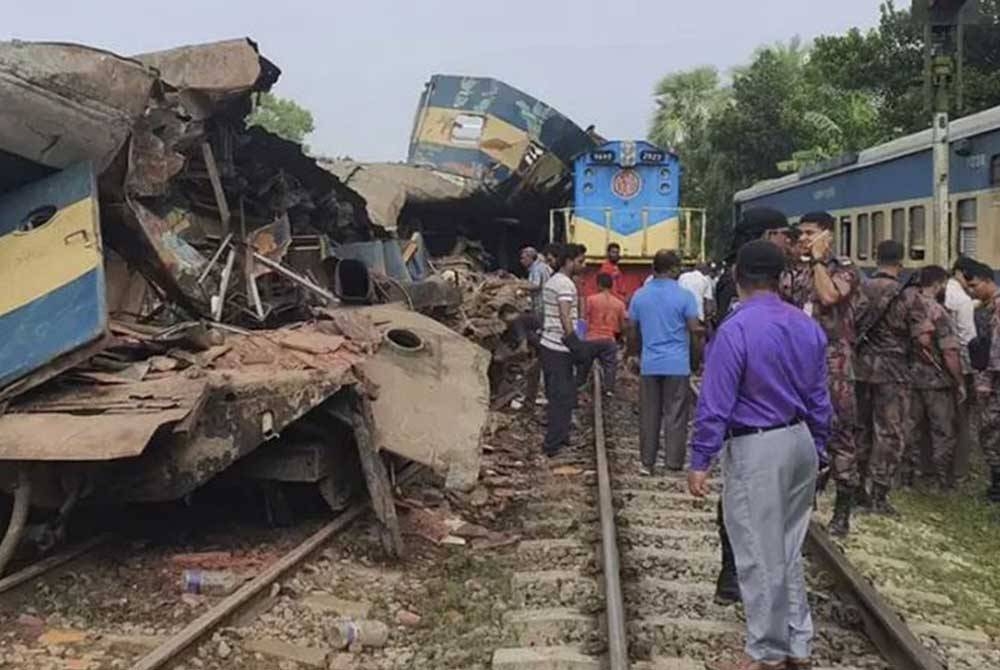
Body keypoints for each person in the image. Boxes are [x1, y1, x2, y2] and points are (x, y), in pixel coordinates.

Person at [688, 240, 831, 670]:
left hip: (757, 446)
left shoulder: (735, 329)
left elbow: (715, 401)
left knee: (755, 550)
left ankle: (766, 651)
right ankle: (797, 643)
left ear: (737, 276)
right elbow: (820, 396)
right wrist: (818, 444)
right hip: (800, 440)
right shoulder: (807, 326)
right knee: (787, 548)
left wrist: (701, 459)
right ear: (781, 278)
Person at [709, 206, 789, 606]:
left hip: (778, 404)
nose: (789, 240)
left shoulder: (775, 279)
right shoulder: (734, 283)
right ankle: (732, 571)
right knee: (740, 495)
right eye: (783, 233)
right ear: (764, 235)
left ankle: (758, 572)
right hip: (749, 405)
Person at [795, 211, 862, 536]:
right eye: (801, 233)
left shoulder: (844, 269)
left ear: (827, 235)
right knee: (800, 428)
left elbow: (829, 296)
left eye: (810, 233)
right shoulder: (797, 270)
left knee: (839, 432)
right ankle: (804, 498)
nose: (803, 239)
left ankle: (843, 507)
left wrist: (820, 262)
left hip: (833, 361)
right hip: (801, 360)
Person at [854, 240, 933, 516]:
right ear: (900, 263)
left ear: (876, 258)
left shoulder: (861, 288)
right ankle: (879, 494)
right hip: (893, 372)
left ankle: (856, 488)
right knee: (889, 432)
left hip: (860, 369)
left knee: (861, 428)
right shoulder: (909, 295)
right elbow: (923, 338)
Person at [628, 250, 702, 475]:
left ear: (654, 268)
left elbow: (632, 330)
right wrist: (696, 359)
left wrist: (633, 354)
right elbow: (694, 330)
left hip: (650, 364)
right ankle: (673, 462)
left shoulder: (639, 295)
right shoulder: (685, 296)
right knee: (676, 414)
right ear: (673, 269)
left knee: (649, 414)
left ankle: (647, 462)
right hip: (677, 364)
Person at [908, 265, 964, 489]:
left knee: (911, 428)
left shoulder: (905, 306)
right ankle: (942, 479)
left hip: (908, 377)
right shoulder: (938, 311)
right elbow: (950, 352)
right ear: (938, 284)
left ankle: (909, 476)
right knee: (942, 430)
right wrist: (959, 381)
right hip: (937, 380)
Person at [539, 244, 585, 457]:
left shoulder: (553, 281)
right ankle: (552, 444)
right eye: (580, 261)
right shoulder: (565, 285)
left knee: (557, 394)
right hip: (559, 347)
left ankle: (561, 435)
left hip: (549, 344)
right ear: (568, 261)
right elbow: (565, 315)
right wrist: (574, 342)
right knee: (562, 397)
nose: (583, 265)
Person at [963, 262, 1000, 502]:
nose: (972, 291)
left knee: (991, 432)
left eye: (975, 285)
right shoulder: (988, 306)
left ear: (987, 281)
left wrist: (985, 382)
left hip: (995, 380)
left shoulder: (997, 308)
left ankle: (997, 487)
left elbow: (996, 351)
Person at [947, 256, 980, 481]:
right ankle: (959, 470)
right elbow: (968, 338)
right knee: (961, 419)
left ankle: (928, 469)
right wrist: (971, 373)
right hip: (960, 365)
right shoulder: (963, 300)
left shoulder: (943, 292)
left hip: (935, 365)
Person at [579, 273, 626, 394]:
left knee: (583, 364)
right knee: (610, 365)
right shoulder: (619, 304)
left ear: (599, 285)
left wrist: (580, 338)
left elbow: (583, 319)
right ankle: (609, 389)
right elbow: (622, 326)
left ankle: (580, 385)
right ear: (611, 285)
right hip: (609, 340)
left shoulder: (591, 300)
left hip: (591, 339)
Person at [521, 246, 551, 316]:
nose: (521, 261)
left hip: (541, 302)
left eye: (523, 258)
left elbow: (536, 285)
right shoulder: (540, 266)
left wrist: (521, 286)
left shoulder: (536, 268)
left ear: (530, 258)